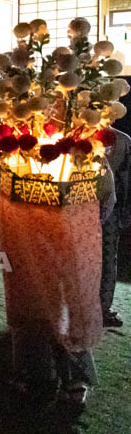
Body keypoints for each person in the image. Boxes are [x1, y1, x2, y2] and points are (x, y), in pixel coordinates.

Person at [100, 127, 131, 327]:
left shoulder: (123, 140)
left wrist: (125, 210)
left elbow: (126, 178)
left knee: (108, 258)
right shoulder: (77, 135)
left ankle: (103, 308)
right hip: (79, 207)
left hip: (111, 208)